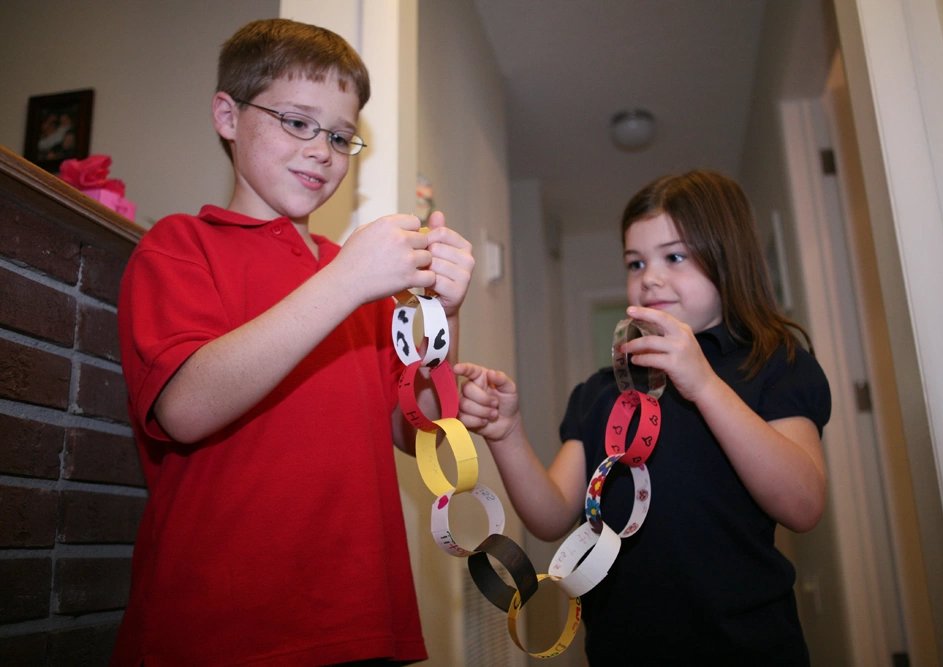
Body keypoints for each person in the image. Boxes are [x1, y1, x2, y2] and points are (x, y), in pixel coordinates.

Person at [113, 18, 474, 666]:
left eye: (340, 135)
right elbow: (185, 408)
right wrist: (346, 281)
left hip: (361, 618)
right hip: (218, 627)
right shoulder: (178, 245)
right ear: (228, 114)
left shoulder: (358, 275)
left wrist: (443, 317)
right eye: (298, 122)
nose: (323, 150)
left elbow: (412, 428)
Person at [454, 170, 831, 665]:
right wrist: (505, 433)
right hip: (622, 650)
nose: (649, 277)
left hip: (749, 647)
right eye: (636, 262)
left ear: (727, 258)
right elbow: (549, 516)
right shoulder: (602, 391)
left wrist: (704, 386)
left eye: (675, 256)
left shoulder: (772, 364)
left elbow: (803, 505)